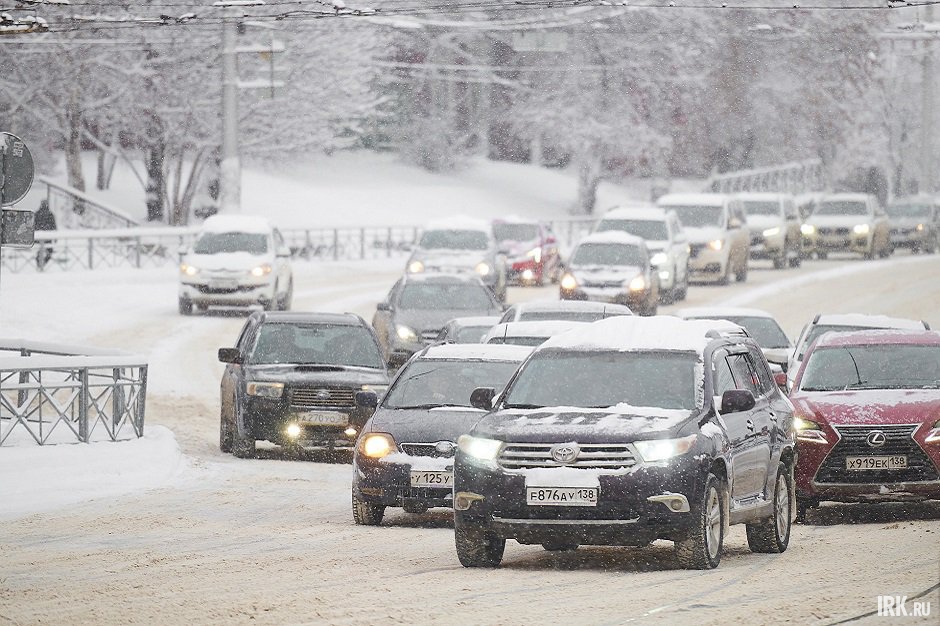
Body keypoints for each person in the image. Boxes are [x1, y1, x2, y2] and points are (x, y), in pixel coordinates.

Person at [34, 200, 57, 270]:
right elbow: (54, 227)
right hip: (48, 237)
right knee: (49, 251)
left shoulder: (37, 214)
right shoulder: (50, 214)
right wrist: (55, 238)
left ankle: (39, 264)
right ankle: (42, 264)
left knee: (40, 251)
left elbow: (34, 225)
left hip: (38, 237)